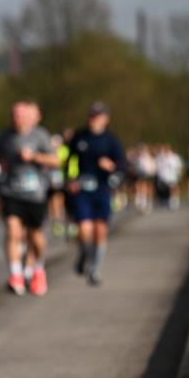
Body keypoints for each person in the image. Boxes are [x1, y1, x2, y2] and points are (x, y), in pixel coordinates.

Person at [0, 100, 59, 296]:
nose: (16, 119)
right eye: (14, 115)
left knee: (35, 237)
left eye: (20, 115)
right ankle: (16, 274)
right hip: (12, 192)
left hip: (35, 194)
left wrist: (35, 157)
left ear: (31, 117)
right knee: (13, 231)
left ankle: (38, 269)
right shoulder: (5, 136)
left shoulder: (41, 135)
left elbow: (56, 161)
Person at [66, 101, 126, 286]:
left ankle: (94, 269)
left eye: (97, 116)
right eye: (91, 116)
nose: (93, 120)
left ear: (105, 119)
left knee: (100, 230)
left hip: (102, 189)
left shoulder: (111, 140)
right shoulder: (79, 137)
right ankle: (85, 253)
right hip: (82, 189)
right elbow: (69, 161)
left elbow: (122, 167)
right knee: (84, 229)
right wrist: (71, 180)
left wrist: (112, 168)